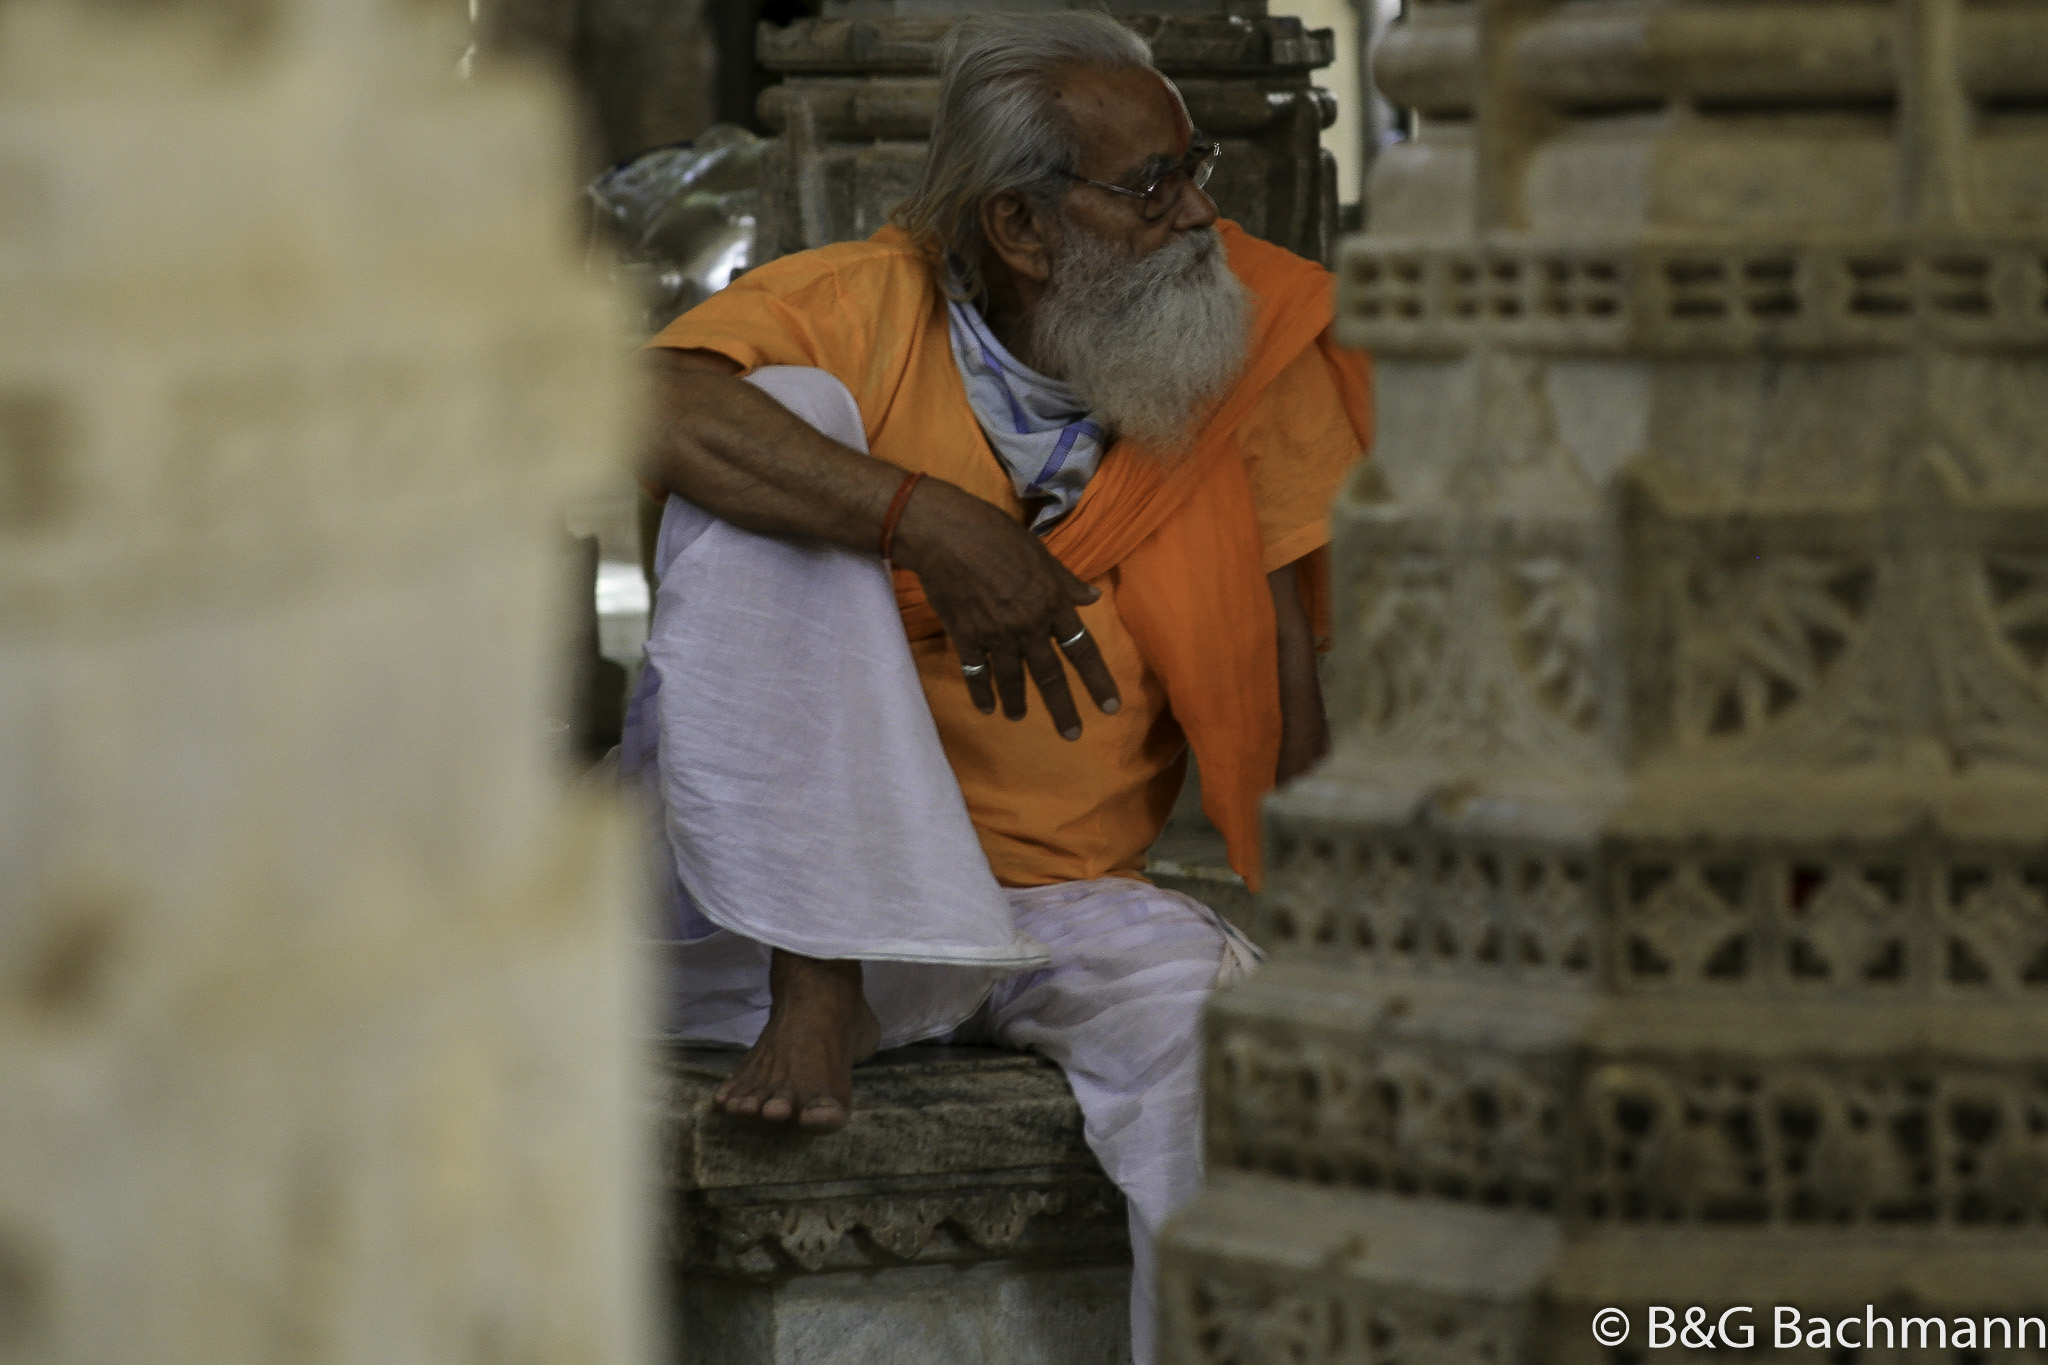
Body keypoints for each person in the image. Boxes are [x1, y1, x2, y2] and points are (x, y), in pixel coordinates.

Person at [624, 13, 1369, 1360]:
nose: (1199, 210)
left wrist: (1341, 932)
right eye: (1153, 186)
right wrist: (929, 520)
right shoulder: (861, 307)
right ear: (1022, 229)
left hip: (1044, 906)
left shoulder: (1233, 342)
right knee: (783, 429)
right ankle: (819, 979)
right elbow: (647, 408)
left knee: (1254, 1080)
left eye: (1192, 166)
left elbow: (1286, 668)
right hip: (739, 921)